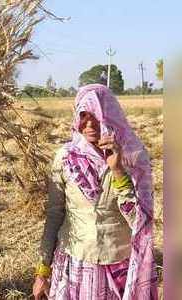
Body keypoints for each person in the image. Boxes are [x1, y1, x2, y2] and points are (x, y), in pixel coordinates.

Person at [32, 84, 158, 299]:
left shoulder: (134, 158)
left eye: (96, 116)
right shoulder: (65, 157)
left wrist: (117, 170)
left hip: (119, 264)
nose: (89, 124)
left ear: (109, 116)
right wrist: (42, 271)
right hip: (76, 263)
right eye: (83, 116)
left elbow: (139, 221)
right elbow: (54, 214)